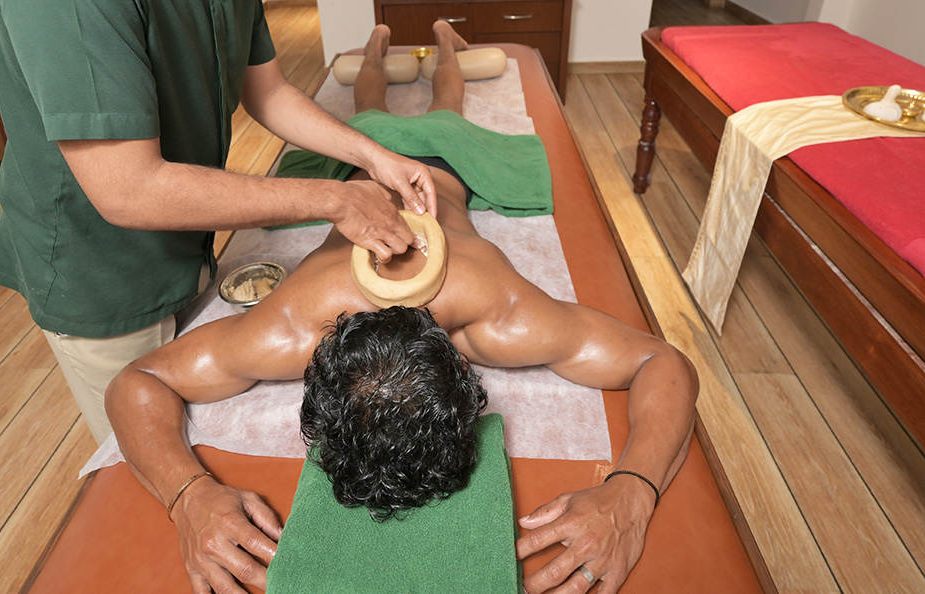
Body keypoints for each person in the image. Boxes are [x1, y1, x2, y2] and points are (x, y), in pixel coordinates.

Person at [105, 22, 699, 594]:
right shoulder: (301, 323)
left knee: (446, 109)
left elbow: (664, 363)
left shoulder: (492, 307)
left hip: (436, 170)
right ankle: (378, 47)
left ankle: (443, 42)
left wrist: (633, 491)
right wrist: (187, 494)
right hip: (362, 163)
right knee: (368, 108)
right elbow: (136, 384)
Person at [0, 0, 438, 444]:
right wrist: (335, 199)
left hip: (185, 243)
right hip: (101, 274)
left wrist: (373, 157)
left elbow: (269, 91)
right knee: (148, 442)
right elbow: (128, 189)